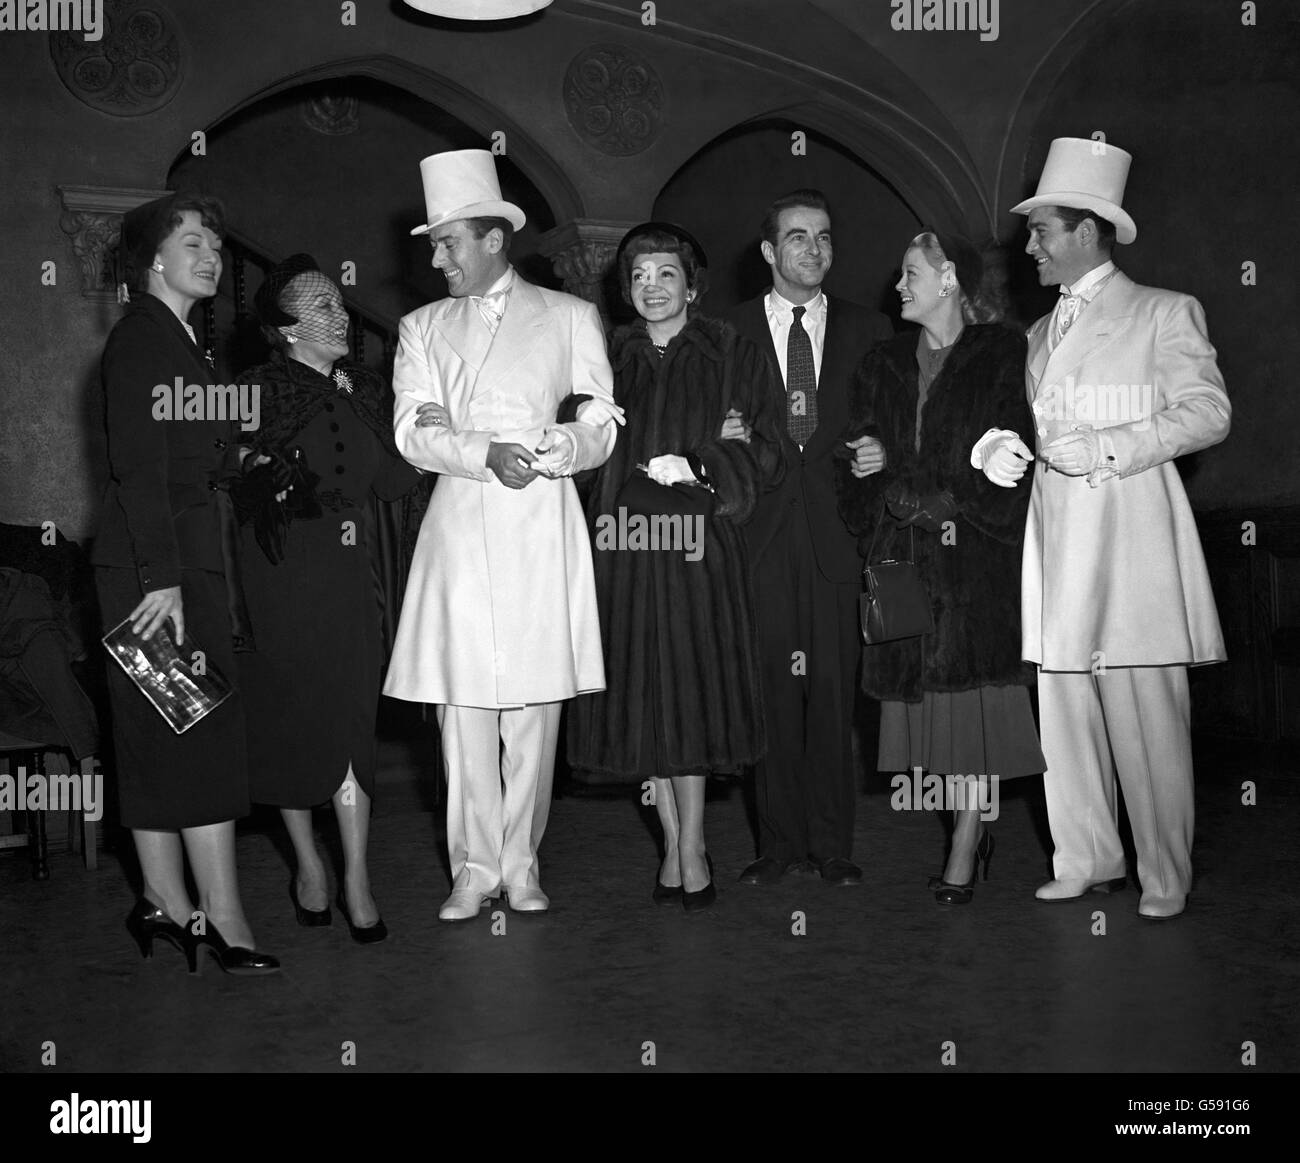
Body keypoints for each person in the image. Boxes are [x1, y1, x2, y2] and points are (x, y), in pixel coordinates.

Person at [974, 137, 1230, 919]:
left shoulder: (1162, 311)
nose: (1030, 246)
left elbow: (1209, 413)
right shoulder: (1037, 333)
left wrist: (1115, 445)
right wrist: (997, 447)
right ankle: (1085, 855)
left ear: (1087, 231)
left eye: (1042, 230)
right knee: (1064, 704)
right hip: (1056, 548)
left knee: (1145, 713)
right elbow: (1033, 423)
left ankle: (1163, 872)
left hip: (1132, 545)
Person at [382, 149, 621, 922]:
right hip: (458, 528)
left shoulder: (568, 315)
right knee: (464, 713)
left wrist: (563, 448)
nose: (437, 258)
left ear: (492, 239)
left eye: (449, 242)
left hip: (538, 526)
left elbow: (600, 418)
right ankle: (473, 867)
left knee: (533, 712)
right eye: (433, 245)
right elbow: (413, 432)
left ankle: (522, 863)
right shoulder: (420, 327)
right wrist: (481, 449)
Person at [567, 223, 786, 911]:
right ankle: (670, 840)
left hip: (697, 550)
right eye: (639, 276)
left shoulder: (732, 352)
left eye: (666, 274)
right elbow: (580, 449)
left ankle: (693, 842)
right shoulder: (604, 358)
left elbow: (768, 446)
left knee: (692, 699)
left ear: (691, 284)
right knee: (645, 703)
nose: (652, 287)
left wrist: (703, 463)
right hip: (625, 548)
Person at [92, 192, 278, 974]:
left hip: (172, 566)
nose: (212, 256)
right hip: (155, 574)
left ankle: (164, 902)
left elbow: (180, 457)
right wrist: (160, 580)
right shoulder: (141, 339)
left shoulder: (180, 343)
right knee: (197, 744)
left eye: (216, 245)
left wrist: (238, 465)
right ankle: (224, 920)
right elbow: (137, 470)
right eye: (193, 242)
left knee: (168, 743)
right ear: (153, 260)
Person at [837, 230, 1044, 903]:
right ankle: (968, 823)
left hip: (971, 554)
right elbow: (862, 451)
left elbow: (1015, 451)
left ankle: (963, 841)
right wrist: (865, 462)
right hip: (897, 551)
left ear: (951, 278)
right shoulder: (882, 361)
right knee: (924, 715)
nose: (899, 285)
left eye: (912, 272)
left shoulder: (1001, 351)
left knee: (973, 705)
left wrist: (949, 499)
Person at [234, 254, 421, 943]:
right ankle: (308, 862)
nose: (340, 313)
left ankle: (357, 875)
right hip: (280, 577)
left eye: (340, 303)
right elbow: (221, 471)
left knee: (350, 726)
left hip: (353, 579)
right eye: (320, 307)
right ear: (284, 329)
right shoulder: (256, 389)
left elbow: (399, 483)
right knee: (292, 723)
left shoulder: (365, 387)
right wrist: (254, 468)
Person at [725, 189, 892, 887]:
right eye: (797, 237)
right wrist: (720, 441)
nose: (814, 249)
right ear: (769, 252)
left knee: (830, 695)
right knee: (770, 693)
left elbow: (890, 419)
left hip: (836, 538)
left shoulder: (871, 327)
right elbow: (706, 426)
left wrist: (882, 447)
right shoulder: (725, 330)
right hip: (760, 538)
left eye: (823, 237)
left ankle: (833, 845)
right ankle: (777, 844)